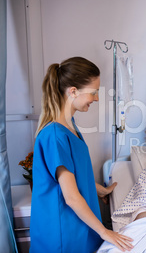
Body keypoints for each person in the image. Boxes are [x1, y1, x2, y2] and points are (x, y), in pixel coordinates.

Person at [30, 57, 133, 252]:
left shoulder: (70, 127)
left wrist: (95, 188)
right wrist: (105, 232)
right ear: (73, 91)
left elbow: (70, 175)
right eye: (93, 93)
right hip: (63, 234)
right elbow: (70, 197)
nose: (96, 98)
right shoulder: (54, 135)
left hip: (78, 228)